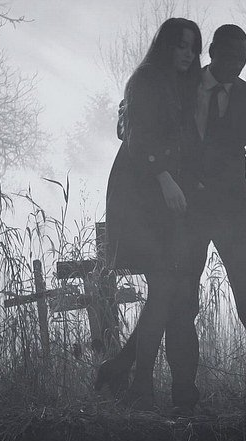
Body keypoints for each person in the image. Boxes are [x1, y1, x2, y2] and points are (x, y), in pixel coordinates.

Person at [99, 23, 246, 415]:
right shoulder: (179, 85)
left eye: (243, 58)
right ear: (211, 51)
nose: (236, 65)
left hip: (236, 217)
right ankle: (183, 398)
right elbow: (137, 123)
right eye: (229, 56)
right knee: (181, 306)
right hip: (184, 215)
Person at [97, 17, 202, 411]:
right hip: (140, 196)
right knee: (163, 286)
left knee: (166, 289)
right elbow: (138, 138)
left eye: (193, 47)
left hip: (163, 201)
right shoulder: (145, 80)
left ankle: (124, 372)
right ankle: (137, 380)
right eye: (181, 45)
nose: (188, 54)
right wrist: (165, 178)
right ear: (166, 46)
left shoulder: (181, 84)